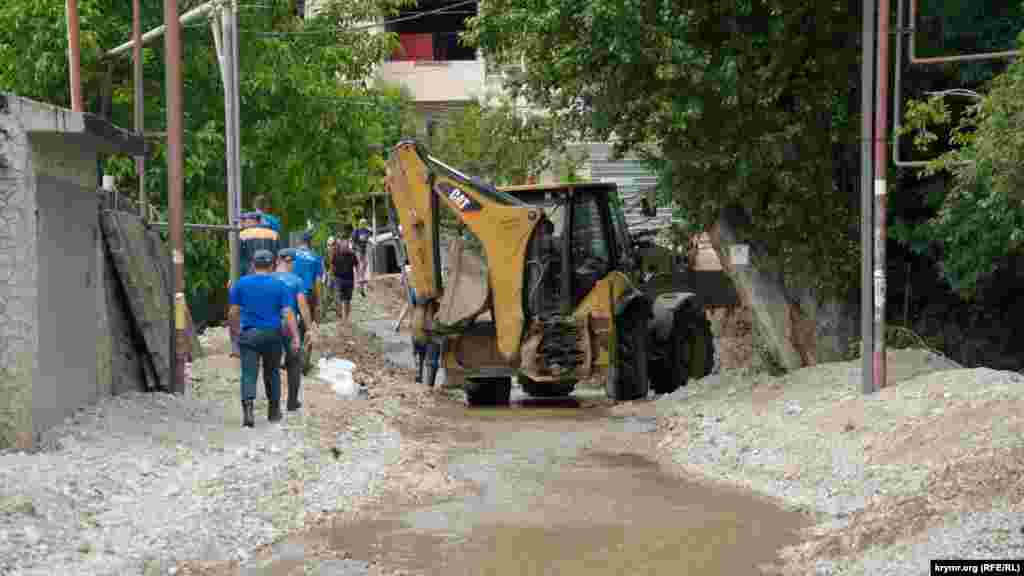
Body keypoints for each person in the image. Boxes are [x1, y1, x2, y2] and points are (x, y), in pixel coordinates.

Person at [228, 249, 299, 428]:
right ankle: (273, 412)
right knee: (272, 372)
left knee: (249, 373)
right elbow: (288, 313)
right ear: (273, 264)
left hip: (249, 335)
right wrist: (295, 337)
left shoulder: (241, 284)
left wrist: (235, 335)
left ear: (253, 264)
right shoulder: (279, 285)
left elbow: (233, 312)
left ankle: (248, 413)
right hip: (272, 336)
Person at [274, 248, 311, 412]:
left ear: (277, 260)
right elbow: (303, 307)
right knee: (294, 364)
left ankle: (273, 404)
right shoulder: (296, 281)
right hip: (290, 327)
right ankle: (292, 402)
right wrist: (309, 328)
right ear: (292, 262)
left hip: (270, 325)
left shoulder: (267, 279)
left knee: (271, 366)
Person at [331, 238, 358, 323]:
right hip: (338, 279)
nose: (345, 249)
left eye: (346, 247)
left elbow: (357, 266)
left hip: (349, 280)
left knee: (347, 300)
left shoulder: (352, 255)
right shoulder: (336, 254)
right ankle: (340, 317)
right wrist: (331, 276)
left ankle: (346, 319)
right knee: (338, 297)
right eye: (343, 247)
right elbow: (332, 265)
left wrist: (359, 278)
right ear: (341, 247)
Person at [351, 218, 372, 296]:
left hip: (363, 249)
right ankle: (359, 279)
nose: (364, 225)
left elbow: (371, 233)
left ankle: (361, 277)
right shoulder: (356, 231)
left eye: (365, 224)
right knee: (361, 264)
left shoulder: (366, 230)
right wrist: (354, 249)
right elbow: (353, 241)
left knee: (365, 263)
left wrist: (370, 230)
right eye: (363, 223)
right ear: (360, 224)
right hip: (357, 250)